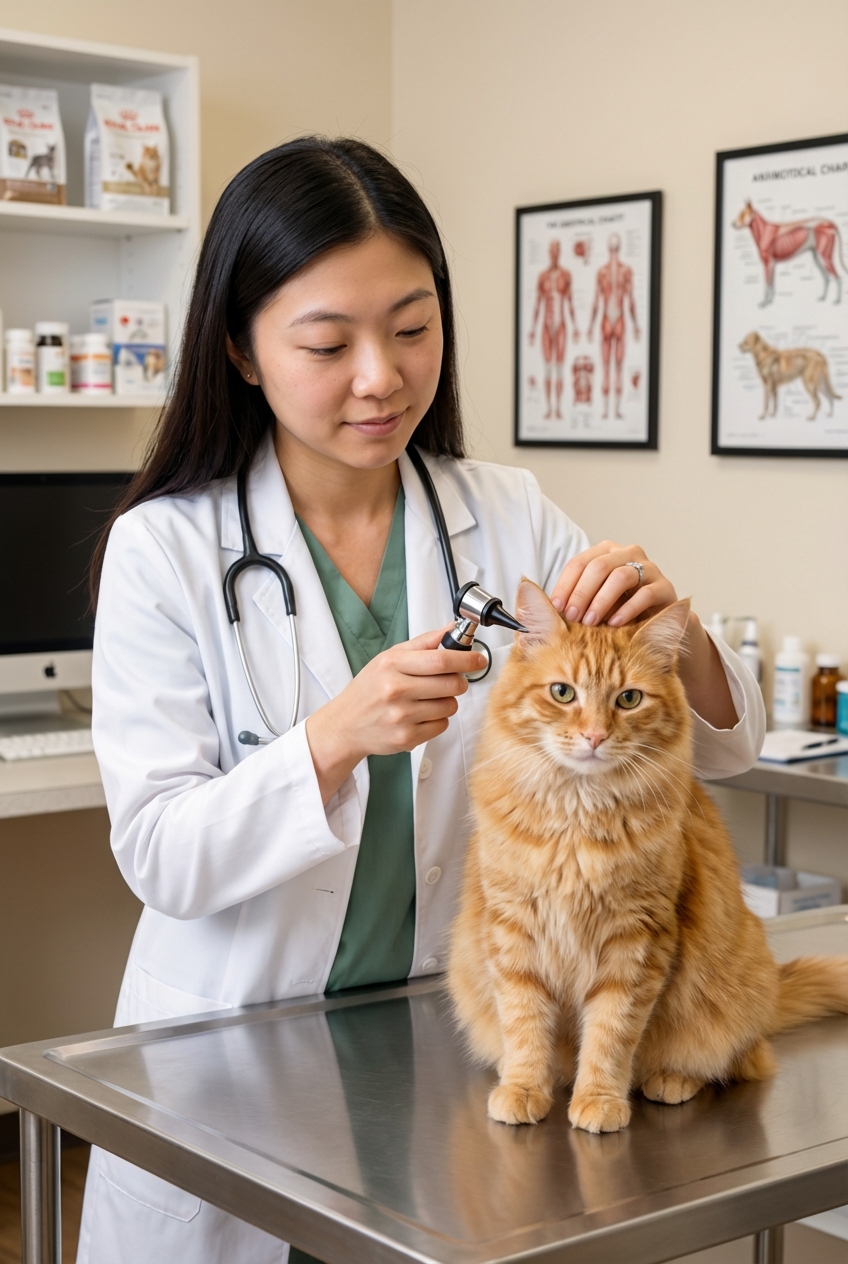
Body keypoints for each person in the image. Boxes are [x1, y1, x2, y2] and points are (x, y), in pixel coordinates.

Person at [77, 137, 765, 1264]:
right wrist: (335, 736)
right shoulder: (169, 549)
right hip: (236, 1057)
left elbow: (722, 755)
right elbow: (160, 854)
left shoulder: (506, 513)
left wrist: (668, 634)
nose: (380, 376)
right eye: (326, 342)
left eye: (410, 328)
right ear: (243, 352)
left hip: (438, 1050)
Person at [587, 232, 639, 419]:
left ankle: (607, 410)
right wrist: (635, 325)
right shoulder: (625, 271)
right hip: (618, 319)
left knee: (608, 368)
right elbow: (630, 301)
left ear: (609, 248)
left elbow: (596, 301)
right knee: (616, 368)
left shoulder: (603, 272)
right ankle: (613, 411)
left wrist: (591, 326)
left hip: (608, 320)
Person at [528, 239, 578, 419]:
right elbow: (537, 304)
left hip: (561, 325)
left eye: (557, 250)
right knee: (548, 368)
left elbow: (570, 302)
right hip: (546, 326)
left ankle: (558, 408)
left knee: (559, 369)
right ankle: (550, 408)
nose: (554, 253)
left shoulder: (566, 276)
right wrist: (532, 329)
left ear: (560, 252)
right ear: (549, 253)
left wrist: (577, 327)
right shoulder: (543, 277)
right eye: (552, 250)